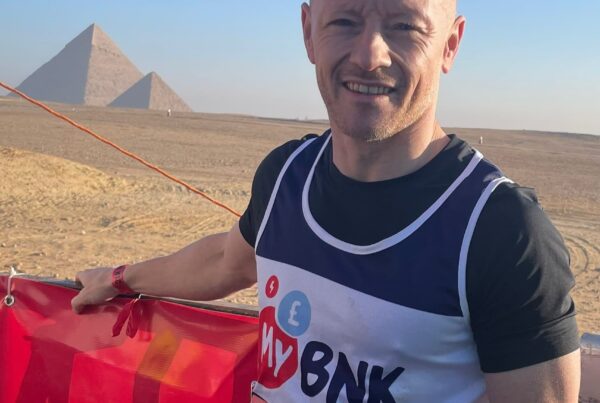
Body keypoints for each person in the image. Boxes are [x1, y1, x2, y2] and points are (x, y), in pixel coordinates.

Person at [72, 0, 581, 401]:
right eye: (344, 20)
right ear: (308, 32)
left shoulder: (501, 231)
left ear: (449, 45)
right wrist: (119, 279)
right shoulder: (285, 174)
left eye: (406, 26)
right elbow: (227, 261)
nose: (369, 55)